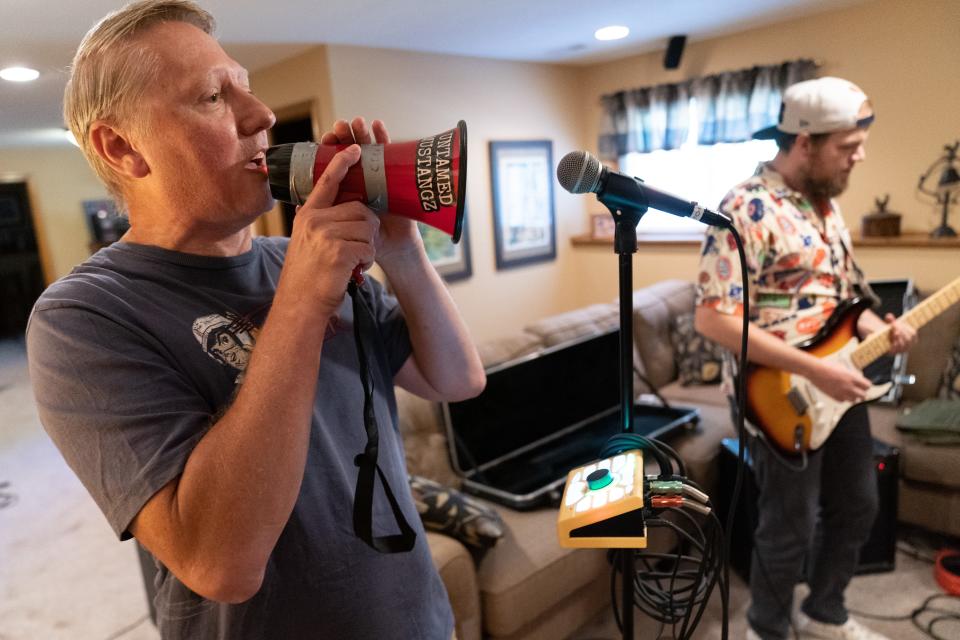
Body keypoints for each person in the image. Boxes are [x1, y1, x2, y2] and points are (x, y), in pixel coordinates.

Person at [27, 1, 486, 639]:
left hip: (417, 621)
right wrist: (299, 303)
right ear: (122, 147)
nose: (263, 116)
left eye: (246, 85)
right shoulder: (83, 318)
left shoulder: (301, 263)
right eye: (213, 96)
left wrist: (402, 252)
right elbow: (220, 564)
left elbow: (457, 380)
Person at [694, 77, 917, 640]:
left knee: (858, 506)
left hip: (839, 384)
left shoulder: (826, 208)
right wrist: (816, 368)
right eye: (847, 146)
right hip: (778, 394)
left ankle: (824, 613)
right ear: (804, 143)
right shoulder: (745, 206)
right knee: (788, 523)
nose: (859, 156)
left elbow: (842, 298)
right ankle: (765, 628)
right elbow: (713, 318)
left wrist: (879, 328)